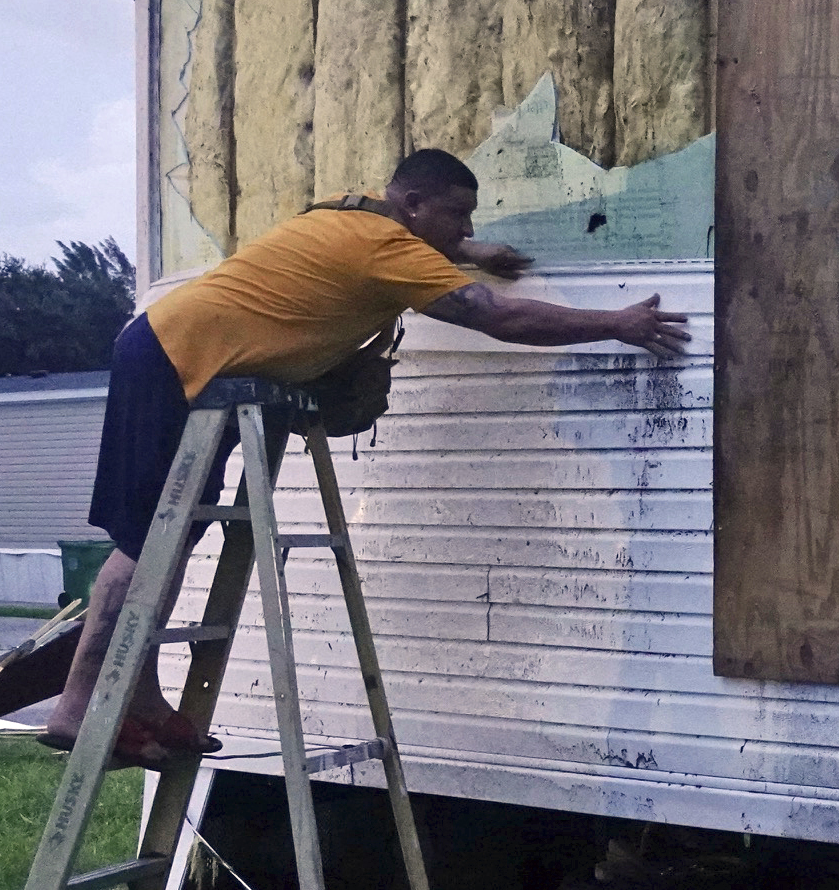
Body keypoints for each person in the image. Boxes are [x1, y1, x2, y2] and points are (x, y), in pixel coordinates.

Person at [44, 147, 688, 767]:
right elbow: (501, 319)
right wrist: (617, 323)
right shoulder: (387, 249)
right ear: (412, 204)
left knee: (173, 541)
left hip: (182, 351)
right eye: (457, 214)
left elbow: (408, 243)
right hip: (170, 358)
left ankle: (144, 695)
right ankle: (74, 708)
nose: (467, 227)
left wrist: (469, 249)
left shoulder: (354, 211)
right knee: (145, 544)